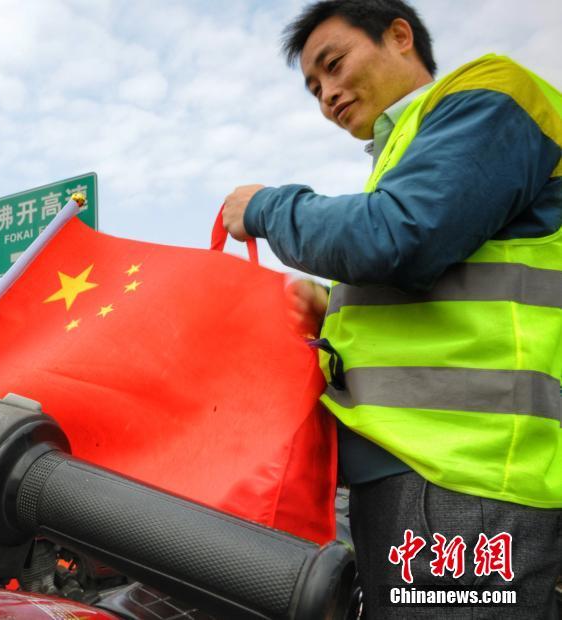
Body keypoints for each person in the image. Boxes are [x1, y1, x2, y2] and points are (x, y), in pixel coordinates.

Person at [221, 1, 562, 617]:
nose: (327, 95)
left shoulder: (493, 93)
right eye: (314, 88)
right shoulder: (407, 152)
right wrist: (333, 308)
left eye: (334, 64)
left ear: (399, 36)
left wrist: (268, 207)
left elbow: (400, 235)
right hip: (422, 475)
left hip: (463, 477)